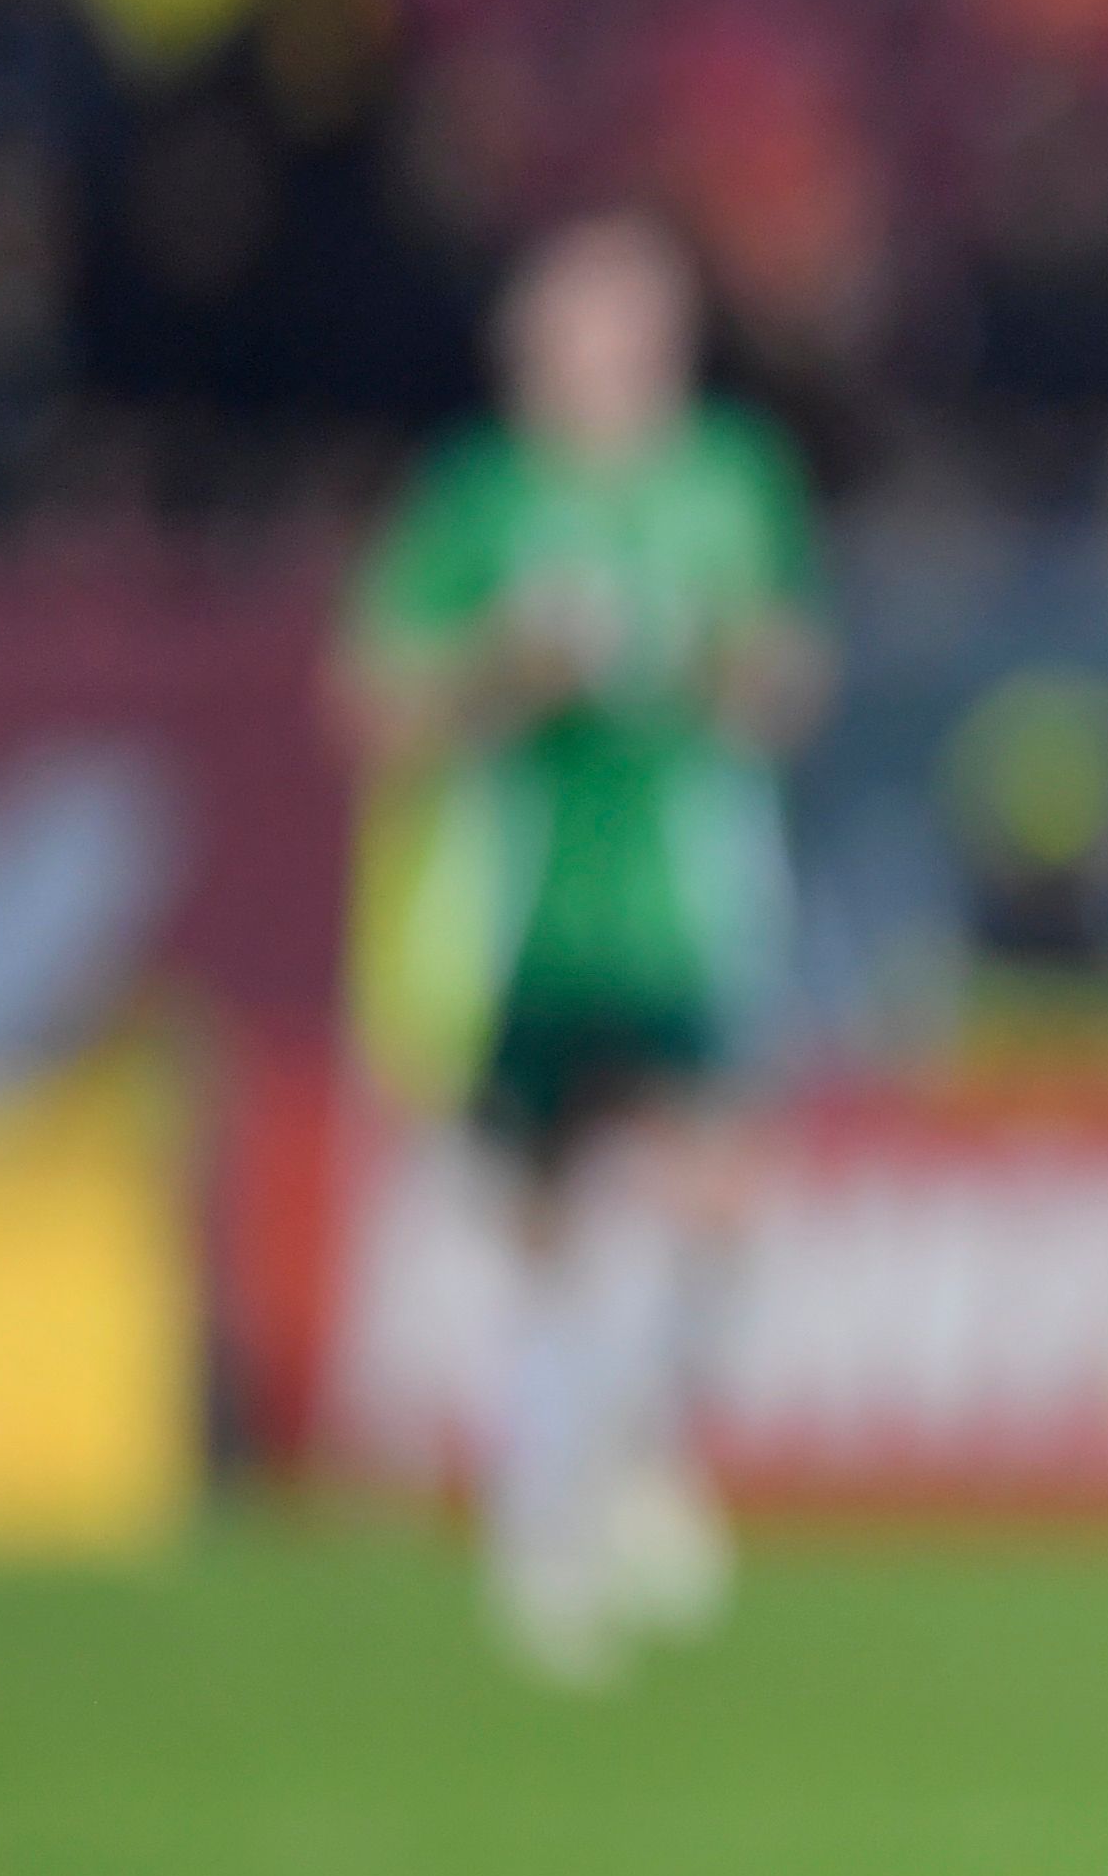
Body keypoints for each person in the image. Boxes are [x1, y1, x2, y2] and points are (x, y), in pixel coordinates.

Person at [334, 213, 830, 1686]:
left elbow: (787, 680)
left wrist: (717, 660)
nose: (612, 354)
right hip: (524, 910)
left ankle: (638, 1455)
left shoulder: (729, 481)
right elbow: (371, 707)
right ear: (532, 347)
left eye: (636, 324)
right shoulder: (480, 500)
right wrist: (507, 661)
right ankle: (544, 1530)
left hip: (692, 894)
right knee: (546, 1231)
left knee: (715, 1200)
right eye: (584, 325)